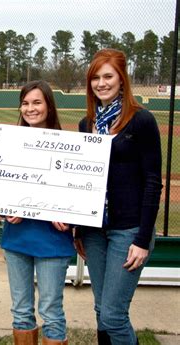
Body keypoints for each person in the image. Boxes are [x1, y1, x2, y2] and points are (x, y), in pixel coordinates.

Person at [75, 48, 162, 345]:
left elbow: (153, 183)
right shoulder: (87, 125)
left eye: (108, 76)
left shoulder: (141, 121)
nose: (101, 83)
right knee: (101, 310)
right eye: (95, 78)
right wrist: (79, 228)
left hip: (128, 230)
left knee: (113, 315)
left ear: (122, 79)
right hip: (95, 231)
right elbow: (83, 180)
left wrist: (141, 239)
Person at [0, 80, 74, 345]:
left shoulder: (70, 145)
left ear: (49, 106)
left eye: (37, 102)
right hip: (17, 238)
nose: (30, 109)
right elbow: (0, 188)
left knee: (51, 312)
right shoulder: (9, 143)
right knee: (21, 312)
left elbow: (77, 194)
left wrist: (67, 213)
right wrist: (2, 210)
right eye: (26, 103)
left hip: (52, 241)